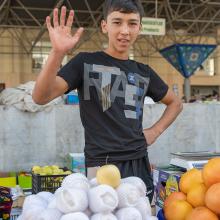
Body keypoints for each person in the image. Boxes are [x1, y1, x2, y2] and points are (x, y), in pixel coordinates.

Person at [32, 0, 183, 202]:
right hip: (100, 163)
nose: (125, 30)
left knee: (139, 214)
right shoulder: (84, 63)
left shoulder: (144, 72)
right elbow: (40, 97)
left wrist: (155, 131)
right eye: (117, 22)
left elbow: (176, 103)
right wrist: (57, 52)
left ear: (139, 28)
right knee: (103, 213)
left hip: (138, 160)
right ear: (105, 26)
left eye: (132, 23)